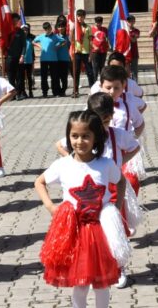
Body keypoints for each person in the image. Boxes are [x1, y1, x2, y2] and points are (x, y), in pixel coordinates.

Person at [35, 111, 127, 308]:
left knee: (101, 284)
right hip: (73, 232)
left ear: (96, 138)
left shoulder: (106, 164)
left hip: (100, 232)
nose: (79, 141)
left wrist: (115, 208)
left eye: (86, 136)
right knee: (80, 284)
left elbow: (121, 182)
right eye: (74, 136)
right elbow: (39, 182)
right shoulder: (62, 165)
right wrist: (51, 206)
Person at [54, 94, 143, 290]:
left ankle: (119, 268)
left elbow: (135, 147)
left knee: (116, 229)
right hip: (89, 193)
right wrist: (73, 159)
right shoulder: (84, 135)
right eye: (97, 121)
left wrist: (119, 162)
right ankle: (95, 267)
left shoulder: (118, 134)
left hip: (113, 190)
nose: (101, 126)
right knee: (93, 233)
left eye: (105, 121)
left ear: (111, 116)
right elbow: (60, 145)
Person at [100, 64, 145, 138]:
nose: (112, 91)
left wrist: (132, 138)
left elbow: (140, 124)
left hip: (124, 148)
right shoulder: (94, 104)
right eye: (108, 88)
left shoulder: (129, 104)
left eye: (116, 88)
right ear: (101, 85)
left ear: (123, 86)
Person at [35, 22, 65, 98]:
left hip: (53, 60)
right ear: (44, 29)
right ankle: (44, 92)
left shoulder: (55, 36)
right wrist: (39, 46)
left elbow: (64, 41)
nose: (47, 30)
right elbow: (33, 41)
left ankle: (55, 92)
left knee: (54, 76)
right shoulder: (41, 36)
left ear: (50, 28)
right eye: (45, 29)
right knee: (44, 77)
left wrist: (58, 46)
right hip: (44, 60)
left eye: (48, 28)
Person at [72, 9, 93, 96]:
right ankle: (75, 90)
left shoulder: (88, 27)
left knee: (90, 72)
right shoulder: (75, 27)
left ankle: (92, 89)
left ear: (84, 17)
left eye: (82, 16)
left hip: (86, 52)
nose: (80, 18)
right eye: (78, 16)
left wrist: (91, 53)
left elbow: (90, 41)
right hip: (77, 52)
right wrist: (71, 30)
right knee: (76, 72)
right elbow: (71, 40)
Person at [88, 16, 108, 86]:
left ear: (102, 22)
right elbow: (90, 40)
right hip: (95, 51)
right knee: (95, 67)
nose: (98, 24)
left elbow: (107, 38)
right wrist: (94, 46)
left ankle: (103, 82)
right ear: (95, 22)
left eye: (100, 22)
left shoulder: (105, 29)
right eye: (97, 22)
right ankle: (94, 83)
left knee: (102, 67)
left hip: (103, 50)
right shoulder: (92, 30)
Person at [54, 15, 71, 96]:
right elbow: (53, 48)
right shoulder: (55, 37)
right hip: (56, 59)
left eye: (62, 26)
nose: (61, 28)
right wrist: (60, 45)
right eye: (59, 27)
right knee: (57, 76)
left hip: (65, 59)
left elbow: (71, 47)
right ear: (57, 28)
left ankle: (63, 90)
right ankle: (57, 91)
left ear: (65, 27)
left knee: (64, 77)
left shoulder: (68, 37)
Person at [21, 22, 36, 98]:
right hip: (21, 61)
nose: (25, 32)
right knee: (22, 77)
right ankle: (23, 92)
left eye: (26, 30)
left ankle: (30, 91)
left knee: (29, 77)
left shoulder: (31, 38)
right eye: (23, 30)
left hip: (29, 60)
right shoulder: (19, 39)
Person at [126, 15, 141, 81]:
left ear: (134, 22)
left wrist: (128, 34)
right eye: (129, 21)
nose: (131, 23)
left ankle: (135, 84)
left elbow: (134, 40)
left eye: (132, 21)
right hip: (126, 53)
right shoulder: (124, 30)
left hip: (134, 53)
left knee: (134, 71)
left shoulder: (136, 31)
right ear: (127, 22)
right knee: (126, 71)